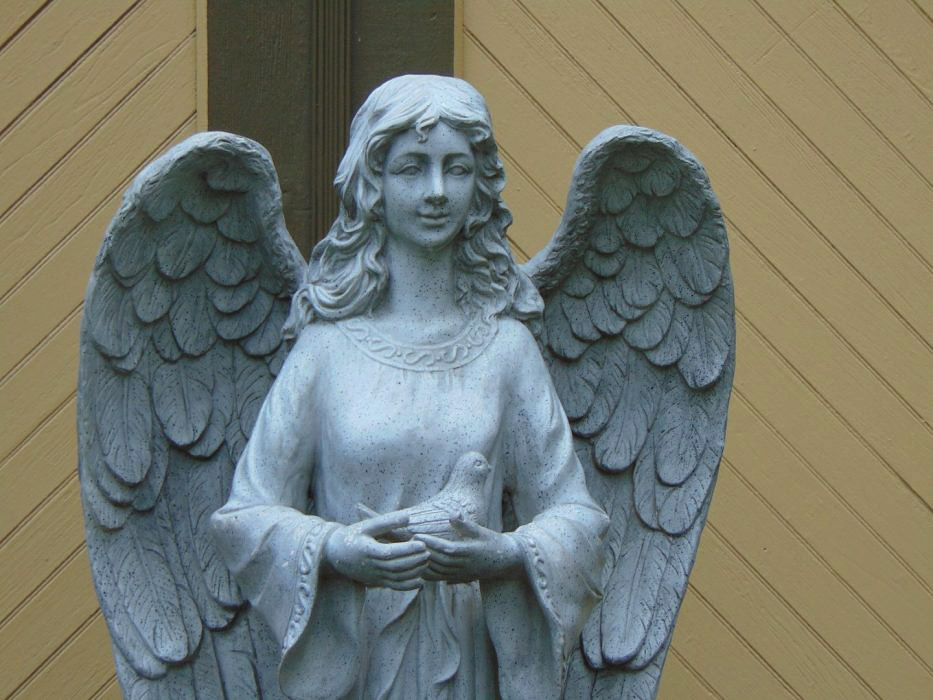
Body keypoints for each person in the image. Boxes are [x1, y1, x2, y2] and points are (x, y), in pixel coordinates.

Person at [210, 75, 608, 700]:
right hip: (356, 652)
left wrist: (503, 557)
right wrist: (336, 551)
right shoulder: (325, 350)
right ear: (374, 184)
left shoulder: (507, 350)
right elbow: (246, 515)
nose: (436, 191)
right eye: (411, 168)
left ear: (480, 186)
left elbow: (575, 517)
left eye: (457, 168)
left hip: (469, 660)